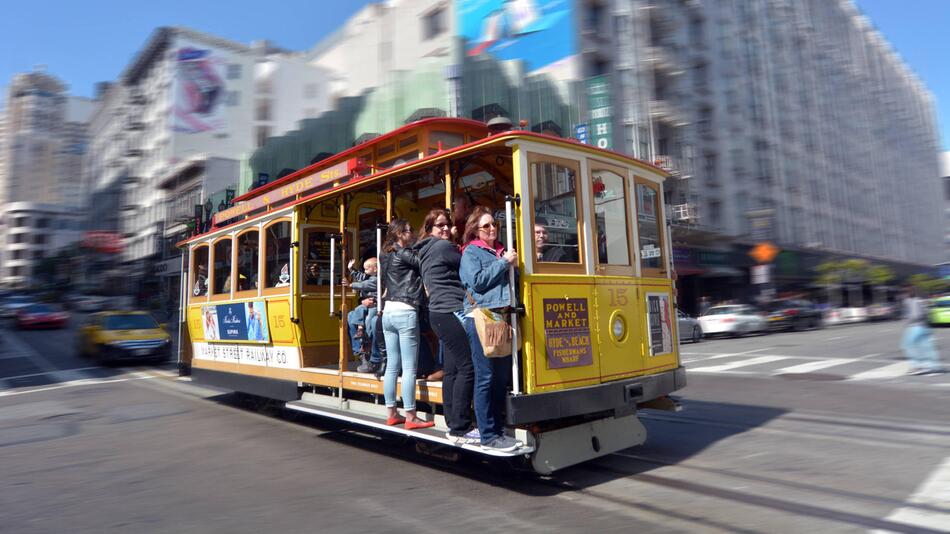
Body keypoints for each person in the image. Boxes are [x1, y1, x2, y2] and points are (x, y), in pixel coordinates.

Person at [459, 206, 521, 452]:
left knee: (500, 378)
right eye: (486, 226)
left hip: (502, 317)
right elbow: (478, 283)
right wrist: (504, 263)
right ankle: (487, 434)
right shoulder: (471, 252)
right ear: (476, 229)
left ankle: (498, 430)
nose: (492, 228)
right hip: (482, 317)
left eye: (494, 224)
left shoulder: (500, 250)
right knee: (485, 377)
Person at [415, 208, 478, 444]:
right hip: (450, 310)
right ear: (430, 229)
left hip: (440, 312)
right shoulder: (443, 247)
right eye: (439, 225)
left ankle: (453, 423)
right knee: (467, 367)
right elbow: (468, 265)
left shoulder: (427, 249)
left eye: (446, 224)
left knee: (452, 370)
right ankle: (461, 426)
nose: (444, 228)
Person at [379, 219, 434, 429]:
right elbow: (422, 262)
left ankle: (392, 412)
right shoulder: (404, 253)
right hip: (405, 310)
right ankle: (411, 415)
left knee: (392, 366)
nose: (412, 233)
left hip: (388, 311)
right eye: (409, 230)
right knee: (409, 368)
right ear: (399, 234)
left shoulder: (386, 256)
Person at [344, 258, 381, 373]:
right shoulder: (370, 276)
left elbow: (363, 285)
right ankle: (362, 352)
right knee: (352, 315)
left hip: (376, 304)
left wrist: (350, 285)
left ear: (375, 269)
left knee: (371, 320)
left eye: (366, 269)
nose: (364, 271)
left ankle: (366, 341)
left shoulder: (376, 279)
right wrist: (351, 269)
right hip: (368, 303)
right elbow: (361, 277)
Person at [900, 287, 944, 375]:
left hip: (916, 326)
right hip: (924, 326)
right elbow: (926, 312)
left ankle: (918, 366)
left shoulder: (912, 301)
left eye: (905, 292)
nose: (904, 294)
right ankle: (932, 366)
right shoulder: (918, 300)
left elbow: (916, 315)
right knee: (925, 346)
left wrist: (906, 321)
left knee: (909, 345)